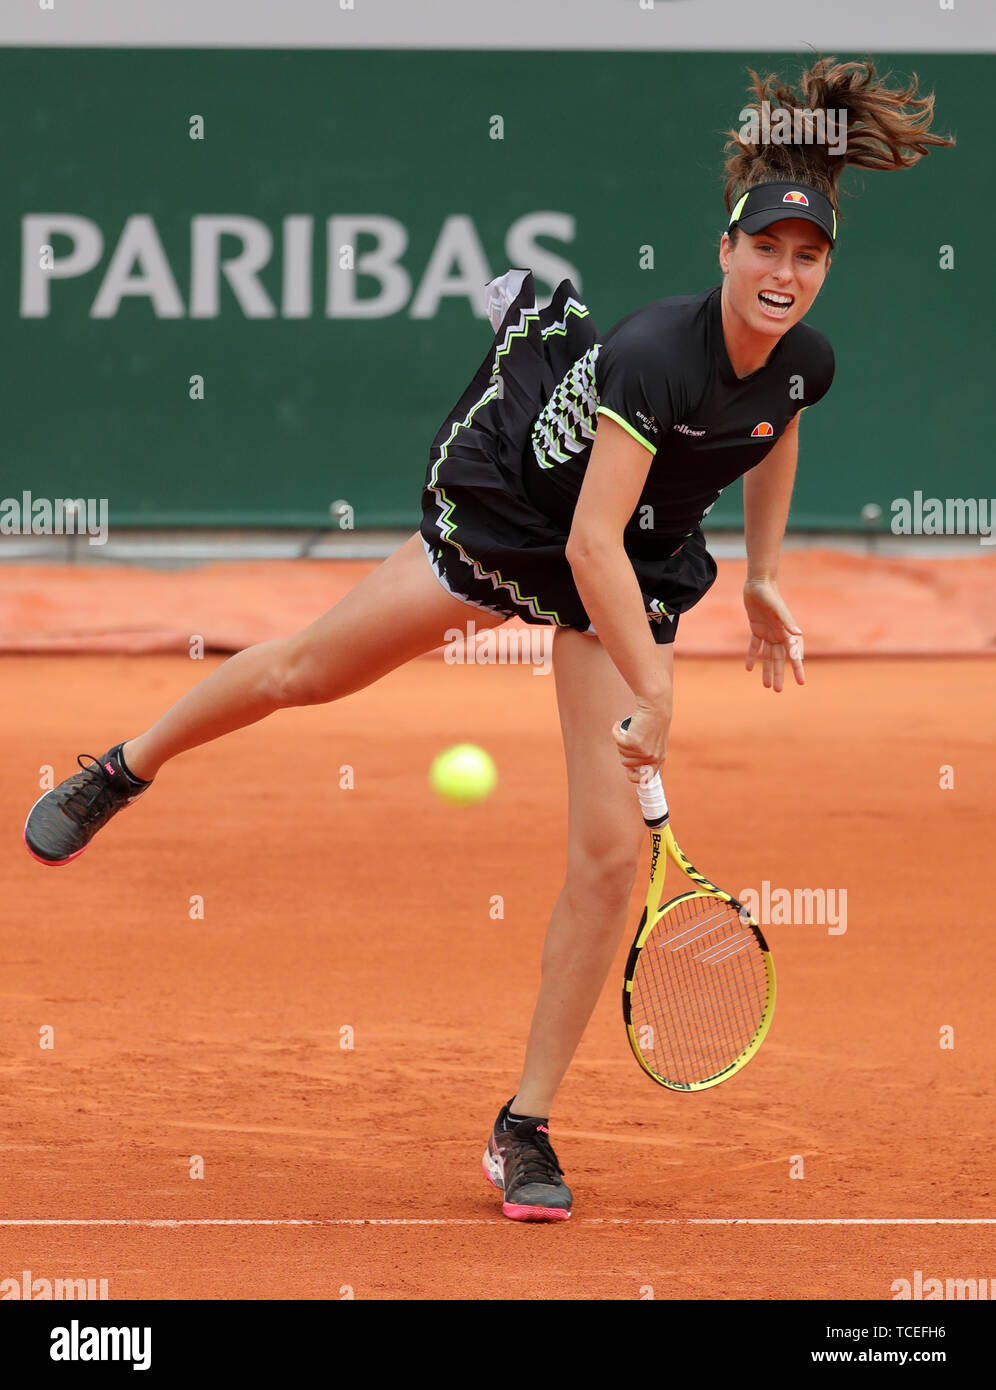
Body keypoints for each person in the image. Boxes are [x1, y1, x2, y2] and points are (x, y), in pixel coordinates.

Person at [24, 58, 953, 1222]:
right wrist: (656, 689)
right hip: (534, 521)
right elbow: (589, 544)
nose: (784, 272)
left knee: (613, 860)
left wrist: (762, 576)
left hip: (630, 565)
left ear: (824, 271)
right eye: (765, 249)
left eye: (807, 257)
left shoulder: (806, 361)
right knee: (312, 669)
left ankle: (525, 1125)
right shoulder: (657, 353)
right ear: (724, 250)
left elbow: (776, 432)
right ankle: (124, 766)